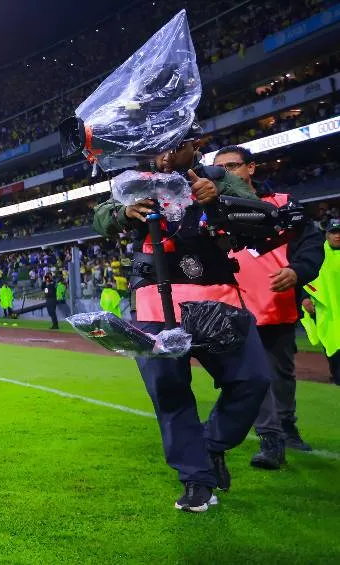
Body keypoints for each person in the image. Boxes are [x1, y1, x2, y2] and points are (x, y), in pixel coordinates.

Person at [92, 133, 270, 513]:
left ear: (196, 144)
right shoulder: (134, 182)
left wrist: (221, 201)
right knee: (170, 393)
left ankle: (212, 445)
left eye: (175, 146)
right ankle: (195, 480)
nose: (165, 156)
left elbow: (260, 215)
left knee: (253, 379)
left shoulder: (218, 176)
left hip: (217, 294)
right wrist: (123, 213)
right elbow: (101, 216)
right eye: (157, 147)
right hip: (155, 301)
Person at [214, 146, 324, 464]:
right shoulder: (211, 213)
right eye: (218, 168)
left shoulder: (281, 204)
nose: (224, 173)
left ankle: (287, 426)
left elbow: (310, 243)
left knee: (282, 374)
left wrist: (297, 271)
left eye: (231, 166)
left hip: (277, 304)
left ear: (251, 168)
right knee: (255, 376)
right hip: (233, 309)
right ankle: (271, 438)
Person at [300, 218, 340, 385]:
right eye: (333, 232)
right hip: (324, 307)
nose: (337, 236)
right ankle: (336, 374)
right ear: (326, 234)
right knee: (329, 340)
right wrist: (304, 297)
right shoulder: (318, 253)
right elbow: (304, 272)